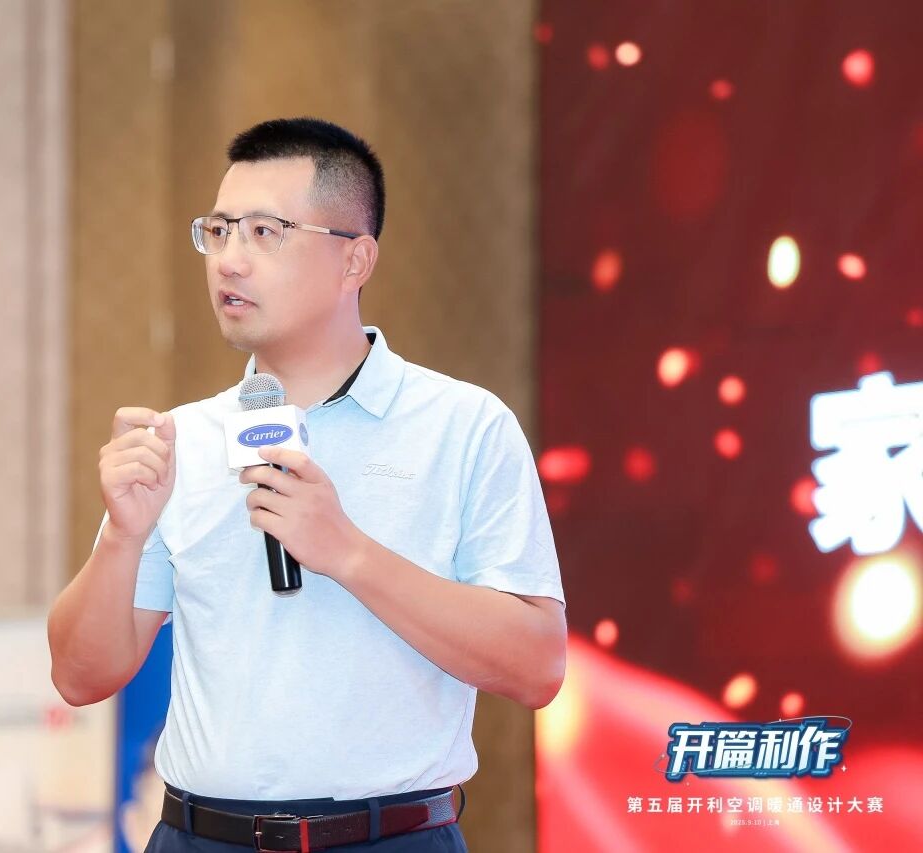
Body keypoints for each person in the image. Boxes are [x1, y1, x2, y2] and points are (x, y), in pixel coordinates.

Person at [48, 117, 567, 852]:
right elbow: (79, 676)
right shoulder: (179, 440)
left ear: (355, 259)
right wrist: (122, 540)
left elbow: (538, 667)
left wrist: (347, 552)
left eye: (265, 233)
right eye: (219, 232)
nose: (230, 261)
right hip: (200, 836)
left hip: (391, 839)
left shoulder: (464, 426)